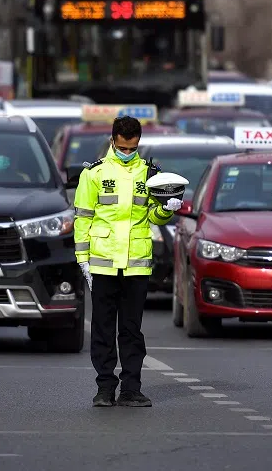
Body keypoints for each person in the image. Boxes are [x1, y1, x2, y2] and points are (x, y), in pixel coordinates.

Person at [73, 116, 182, 408]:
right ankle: (105, 388)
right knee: (103, 328)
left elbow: (155, 217)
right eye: (122, 147)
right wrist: (82, 259)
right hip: (103, 262)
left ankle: (131, 388)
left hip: (136, 263)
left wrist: (167, 210)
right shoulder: (94, 174)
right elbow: (82, 218)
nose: (126, 152)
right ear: (112, 141)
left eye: (131, 148)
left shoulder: (151, 174)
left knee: (131, 330)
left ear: (138, 144)